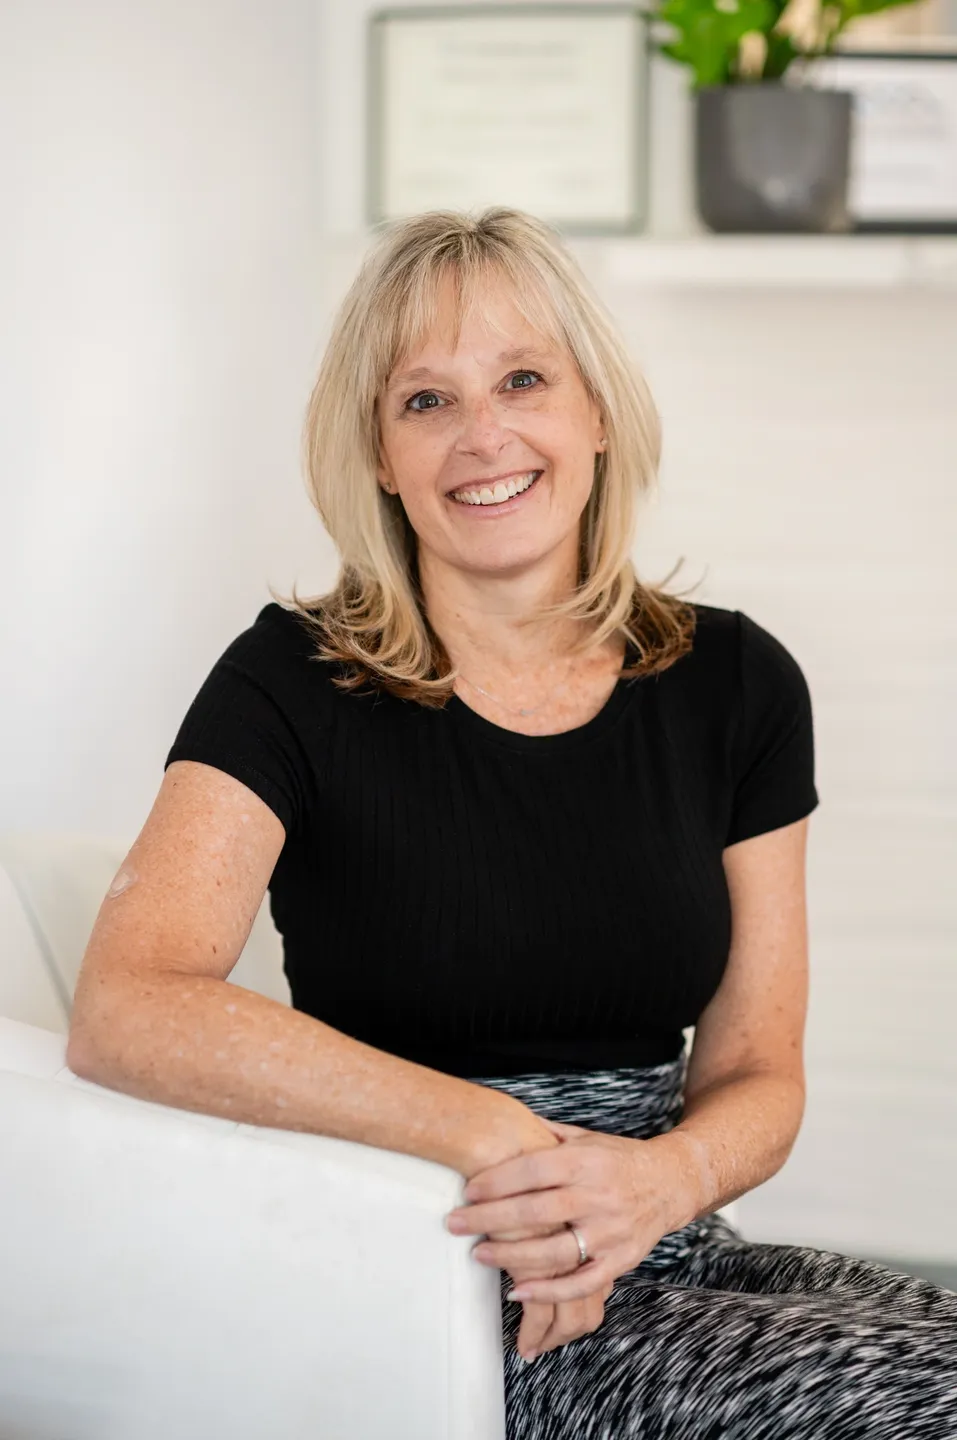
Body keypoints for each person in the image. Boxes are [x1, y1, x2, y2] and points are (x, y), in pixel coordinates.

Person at [68, 207, 957, 1439]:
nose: (484, 435)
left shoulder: (738, 683)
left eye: (524, 379)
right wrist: (487, 1133)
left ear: (596, 410)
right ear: (379, 455)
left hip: (667, 1241)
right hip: (434, 1275)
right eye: (424, 401)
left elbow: (758, 1071)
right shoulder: (290, 678)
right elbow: (128, 1003)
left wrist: (660, 1183)